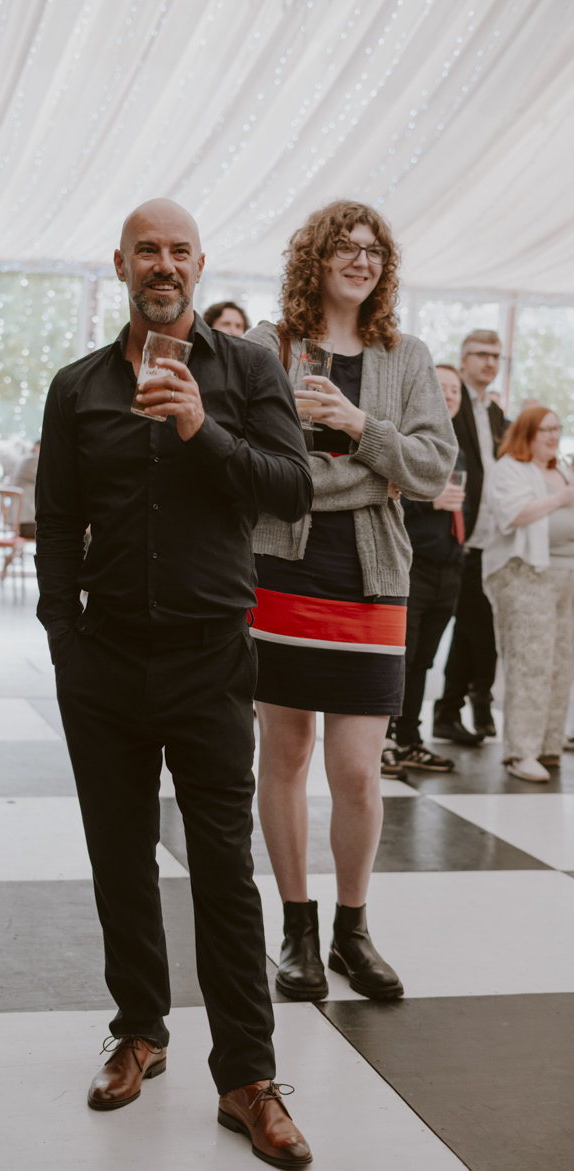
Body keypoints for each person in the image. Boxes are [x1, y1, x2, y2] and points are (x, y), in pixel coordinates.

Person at [36, 198, 314, 1167]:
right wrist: (63, 643)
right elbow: (55, 519)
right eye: (146, 249)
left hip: (211, 659)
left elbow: (293, 490)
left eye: (179, 251)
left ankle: (248, 1076)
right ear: (120, 264)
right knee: (119, 857)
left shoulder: (249, 371)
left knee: (224, 868)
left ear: (201, 265)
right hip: (104, 660)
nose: (164, 263)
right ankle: (139, 1029)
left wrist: (203, 429)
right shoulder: (77, 386)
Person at [244, 201, 456, 1004]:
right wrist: (374, 475)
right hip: (281, 570)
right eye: (345, 246)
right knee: (286, 755)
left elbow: (432, 468)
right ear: (316, 258)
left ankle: (351, 929)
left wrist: (361, 426)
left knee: (360, 771)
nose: (361, 260)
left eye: (374, 250)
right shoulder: (267, 346)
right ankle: (296, 928)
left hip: (372, 578)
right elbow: (255, 463)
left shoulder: (408, 355)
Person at [383, 365, 468, 775]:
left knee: (423, 662)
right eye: (443, 387)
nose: (449, 394)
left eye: (456, 390)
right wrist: (431, 502)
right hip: (412, 564)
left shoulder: (457, 453)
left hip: (448, 568)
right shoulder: (408, 443)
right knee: (401, 657)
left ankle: (409, 738)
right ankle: (383, 741)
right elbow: (386, 496)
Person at [483, 407, 574, 783]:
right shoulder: (510, 468)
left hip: (566, 575)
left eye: (557, 429)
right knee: (529, 662)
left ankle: (549, 744)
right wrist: (563, 497)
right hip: (525, 575)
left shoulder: (563, 470)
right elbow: (514, 514)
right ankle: (522, 751)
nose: (553, 436)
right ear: (527, 434)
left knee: (561, 663)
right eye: (544, 430)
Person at [433, 330, 508, 745]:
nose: (489, 362)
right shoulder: (449, 400)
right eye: (481, 354)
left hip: (486, 538)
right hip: (449, 531)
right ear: (463, 361)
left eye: (496, 355)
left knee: (471, 630)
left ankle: (451, 711)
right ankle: (466, 704)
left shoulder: (495, 413)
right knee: (471, 631)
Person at [11, 438, 40, 538]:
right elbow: (46, 479)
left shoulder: (26, 458)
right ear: (37, 447)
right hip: (25, 521)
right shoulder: (32, 459)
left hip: (22, 520)